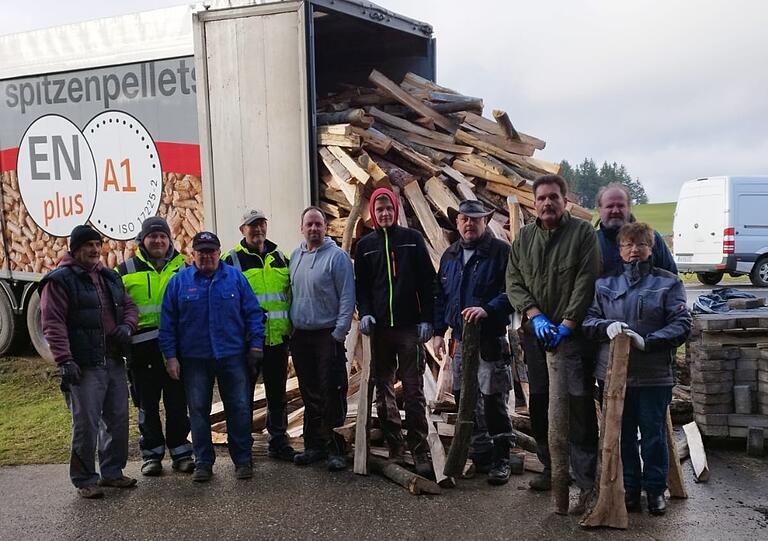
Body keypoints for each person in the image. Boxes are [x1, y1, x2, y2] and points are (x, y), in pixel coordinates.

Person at [505, 174, 601, 514]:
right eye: (542, 198)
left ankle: (587, 481)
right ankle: (552, 467)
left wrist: (567, 323)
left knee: (577, 406)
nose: (547, 203)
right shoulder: (525, 238)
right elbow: (513, 280)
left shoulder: (582, 234)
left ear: (565, 201)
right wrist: (534, 315)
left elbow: (586, 280)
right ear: (534, 203)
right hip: (537, 332)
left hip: (570, 337)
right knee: (541, 402)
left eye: (553, 197)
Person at [583, 222, 691, 516]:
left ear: (651, 249)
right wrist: (606, 327)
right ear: (619, 250)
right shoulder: (604, 285)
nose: (634, 250)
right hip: (614, 377)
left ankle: (655, 490)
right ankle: (630, 489)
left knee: (654, 435)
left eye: (641, 245)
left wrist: (649, 342)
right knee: (622, 436)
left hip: (654, 375)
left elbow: (682, 324)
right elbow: (588, 321)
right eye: (628, 245)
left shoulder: (668, 283)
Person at [40, 224, 139, 499]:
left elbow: (129, 306)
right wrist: (64, 360)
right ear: (75, 249)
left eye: (98, 245)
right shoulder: (59, 281)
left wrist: (128, 326)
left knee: (117, 420)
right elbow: (52, 323)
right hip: (83, 365)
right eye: (88, 246)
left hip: (113, 360)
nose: (95, 250)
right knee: (86, 424)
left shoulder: (108, 276)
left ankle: (112, 473)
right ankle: (84, 479)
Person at [159, 231, 264, 482]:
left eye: (211, 251)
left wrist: (256, 346)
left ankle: (242, 460)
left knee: (238, 408)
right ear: (192, 254)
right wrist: (170, 357)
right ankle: (204, 462)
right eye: (201, 252)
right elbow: (168, 324)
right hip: (194, 359)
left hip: (232, 356)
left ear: (219, 253)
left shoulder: (235, 278)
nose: (207, 256)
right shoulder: (179, 282)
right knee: (197, 410)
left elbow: (253, 314)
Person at [433, 200, 519, 485]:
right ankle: (481, 453)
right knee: (464, 397)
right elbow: (441, 297)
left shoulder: (500, 252)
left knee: (493, 398)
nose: (469, 224)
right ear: (457, 223)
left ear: (485, 222)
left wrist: (488, 309)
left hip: (489, 339)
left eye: (475, 220)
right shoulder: (450, 255)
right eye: (464, 220)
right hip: (459, 340)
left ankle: (501, 458)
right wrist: (437, 332)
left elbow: (513, 293)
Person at [354, 188, 435, 476]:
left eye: (389, 208)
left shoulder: (412, 241)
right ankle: (395, 447)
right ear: (373, 213)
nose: (385, 213)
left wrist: (428, 319)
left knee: (413, 391)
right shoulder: (365, 245)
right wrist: (365, 313)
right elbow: (361, 287)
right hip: (380, 331)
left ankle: (420, 449)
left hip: (409, 328)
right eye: (380, 209)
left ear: (396, 210)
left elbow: (428, 281)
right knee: (383, 389)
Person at [117, 217, 194, 477]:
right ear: (143, 240)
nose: (158, 241)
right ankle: (152, 455)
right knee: (146, 405)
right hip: (141, 352)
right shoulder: (125, 271)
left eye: (163, 236)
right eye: (153, 236)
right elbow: (117, 310)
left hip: (176, 350)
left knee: (177, 403)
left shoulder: (183, 267)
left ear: (170, 240)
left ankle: (181, 452)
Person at [222, 209, 295, 462]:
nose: (257, 230)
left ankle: (278, 440)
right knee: (243, 398)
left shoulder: (281, 258)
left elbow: (289, 297)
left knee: (277, 394)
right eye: (251, 226)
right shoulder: (230, 261)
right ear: (242, 230)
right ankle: (244, 449)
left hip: (276, 340)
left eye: (261, 224)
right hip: (246, 344)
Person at [289, 206, 355, 472]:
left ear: (325, 227)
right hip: (302, 336)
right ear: (301, 227)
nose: (314, 229)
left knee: (332, 391)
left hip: (327, 335)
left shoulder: (337, 258)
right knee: (310, 393)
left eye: (319, 224)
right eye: (309, 224)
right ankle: (314, 446)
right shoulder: (295, 255)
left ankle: (336, 448)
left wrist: (339, 332)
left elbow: (348, 297)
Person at [595, 183, 677, 276]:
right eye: (610, 206)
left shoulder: (651, 238)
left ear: (629, 208)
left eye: (621, 206)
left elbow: (672, 279)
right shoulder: (592, 243)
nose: (615, 211)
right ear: (599, 209)